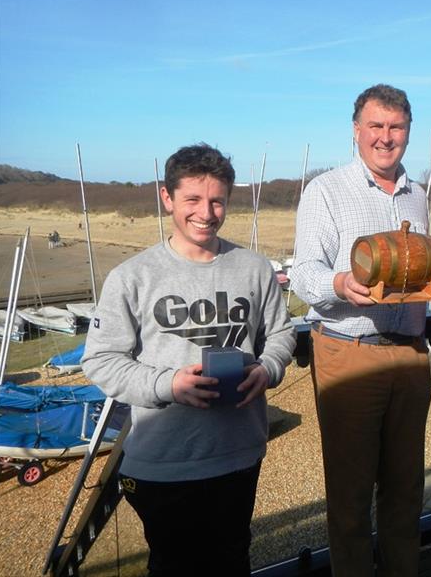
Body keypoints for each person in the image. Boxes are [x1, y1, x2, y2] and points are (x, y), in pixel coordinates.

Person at [82, 143, 296, 576]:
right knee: (174, 564)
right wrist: (168, 385)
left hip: (238, 454)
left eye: (218, 200)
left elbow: (282, 333)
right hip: (163, 462)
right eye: (193, 200)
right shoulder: (132, 276)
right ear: (167, 198)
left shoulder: (254, 268)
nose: (207, 212)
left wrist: (269, 368)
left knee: (233, 557)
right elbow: (101, 360)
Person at [289, 84, 431, 576]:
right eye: (376, 126)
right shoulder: (325, 190)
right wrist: (341, 282)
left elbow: (422, 274)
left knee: (406, 488)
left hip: (411, 353)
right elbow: (303, 272)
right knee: (350, 499)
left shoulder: (418, 196)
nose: (385, 137)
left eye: (395, 127)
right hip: (347, 351)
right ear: (356, 131)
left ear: (408, 134)